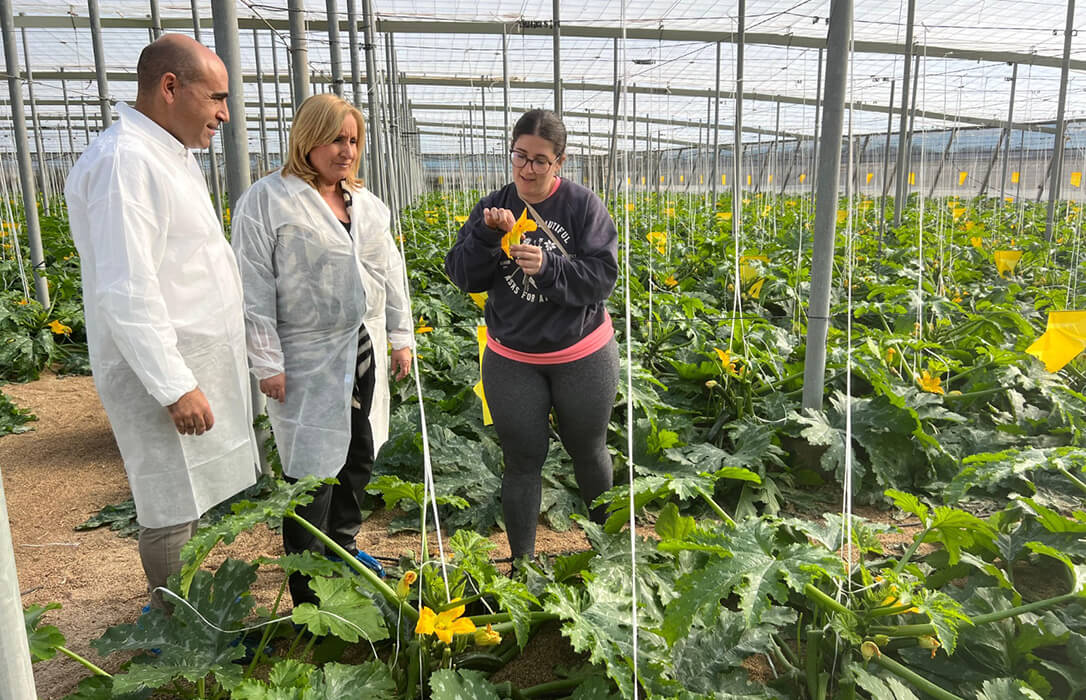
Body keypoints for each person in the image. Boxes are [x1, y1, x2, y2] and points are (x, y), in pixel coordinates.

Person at [64, 35, 259, 611]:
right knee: (170, 499)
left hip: (190, 359)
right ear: (170, 87)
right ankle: (176, 626)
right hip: (165, 371)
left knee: (190, 495)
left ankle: (185, 612)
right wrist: (175, 385)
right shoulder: (125, 161)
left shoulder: (162, 153)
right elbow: (126, 290)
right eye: (217, 97)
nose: (225, 113)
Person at [230, 93, 413, 607]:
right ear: (308, 139)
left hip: (364, 346)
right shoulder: (269, 200)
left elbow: (390, 273)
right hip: (305, 354)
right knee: (310, 470)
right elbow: (253, 284)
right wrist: (267, 361)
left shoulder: (367, 204)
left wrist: (401, 338)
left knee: (359, 451)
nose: (347, 150)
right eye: (336, 138)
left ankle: (345, 545)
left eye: (353, 140)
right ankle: (308, 586)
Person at [445, 109, 619, 561]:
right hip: (512, 357)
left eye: (540, 160)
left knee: (589, 451)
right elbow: (462, 275)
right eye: (519, 156)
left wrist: (549, 267)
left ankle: (610, 553)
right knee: (521, 461)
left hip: (582, 353)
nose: (527, 168)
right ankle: (521, 564)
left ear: (559, 162)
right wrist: (485, 236)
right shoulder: (494, 205)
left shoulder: (582, 206)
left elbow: (601, 277)